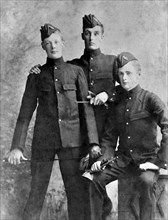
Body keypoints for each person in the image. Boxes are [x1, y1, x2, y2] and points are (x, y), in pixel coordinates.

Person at [6, 23, 100, 220]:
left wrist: (92, 143)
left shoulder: (75, 72)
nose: (53, 46)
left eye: (56, 41)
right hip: (44, 142)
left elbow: (87, 111)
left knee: (76, 193)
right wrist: (17, 147)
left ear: (63, 43)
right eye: (48, 43)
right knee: (36, 192)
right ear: (43, 46)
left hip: (72, 143)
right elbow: (25, 114)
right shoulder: (36, 76)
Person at [87, 52, 168, 220]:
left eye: (129, 73)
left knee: (146, 182)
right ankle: (104, 212)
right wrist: (101, 161)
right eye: (121, 74)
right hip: (123, 160)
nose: (124, 78)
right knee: (95, 179)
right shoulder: (116, 103)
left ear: (138, 74)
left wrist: (158, 162)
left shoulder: (150, 99)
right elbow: (109, 139)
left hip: (147, 160)